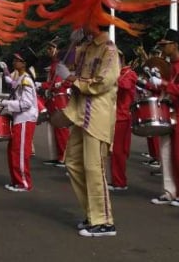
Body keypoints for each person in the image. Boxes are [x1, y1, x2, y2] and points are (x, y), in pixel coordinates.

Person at [58, 25, 119, 237]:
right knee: (73, 162)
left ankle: (104, 220)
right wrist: (71, 43)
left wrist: (74, 79)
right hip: (79, 113)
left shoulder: (109, 50)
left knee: (94, 167)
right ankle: (92, 214)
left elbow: (103, 83)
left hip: (97, 115)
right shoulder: (84, 48)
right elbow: (67, 65)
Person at [144, 29, 179, 207]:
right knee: (166, 155)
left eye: (164, 45)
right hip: (168, 115)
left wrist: (164, 84)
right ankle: (170, 192)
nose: (162, 48)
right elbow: (164, 89)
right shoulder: (169, 66)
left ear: (175, 45)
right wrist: (148, 83)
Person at [0, 48, 38, 192]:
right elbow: (11, 83)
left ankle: (24, 183)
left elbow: (26, 104)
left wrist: (7, 103)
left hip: (25, 119)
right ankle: (16, 181)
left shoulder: (26, 80)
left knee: (20, 151)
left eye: (17, 60)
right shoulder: (21, 78)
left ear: (24, 63)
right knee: (13, 150)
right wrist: (6, 70)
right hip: (20, 119)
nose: (14, 61)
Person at [38, 38, 71, 167]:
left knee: (62, 130)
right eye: (48, 48)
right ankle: (59, 156)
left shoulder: (61, 64)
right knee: (56, 130)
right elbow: (51, 82)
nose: (48, 51)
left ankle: (65, 157)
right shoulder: (54, 64)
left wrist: (58, 83)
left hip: (60, 98)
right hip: (53, 98)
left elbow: (67, 81)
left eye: (51, 48)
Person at [108, 50, 137, 191]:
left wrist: (112, 76)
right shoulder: (119, 73)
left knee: (118, 151)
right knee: (113, 151)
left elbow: (125, 86)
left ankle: (119, 182)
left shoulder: (129, 74)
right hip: (113, 115)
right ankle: (116, 179)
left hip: (122, 116)